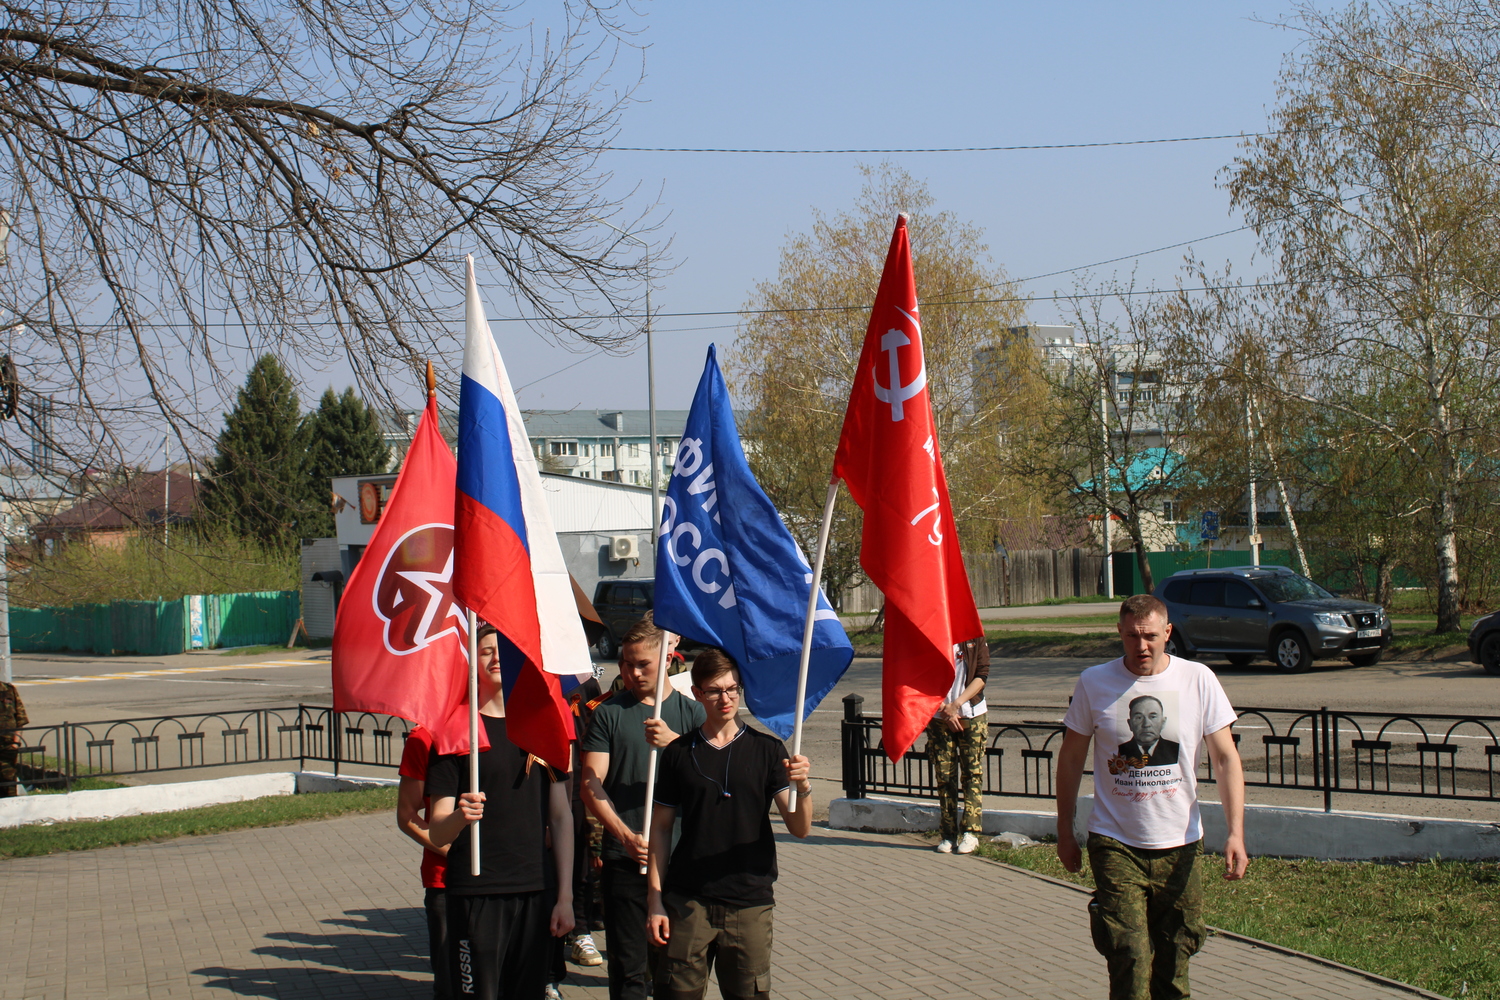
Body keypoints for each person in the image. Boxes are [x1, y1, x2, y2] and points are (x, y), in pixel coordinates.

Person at [1055, 593, 1249, 1000]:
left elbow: (1226, 758)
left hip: (1180, 843)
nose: (1141, 646)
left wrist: (1235, 833)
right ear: (1120, 634)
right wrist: (1065, 830)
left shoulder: (1197, 679)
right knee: (1129, 955)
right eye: (1131, 636)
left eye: (1149, 636)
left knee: (1176, 954)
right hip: (1115, 842)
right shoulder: (1095, 681)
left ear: (1167, 633)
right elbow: (1071, 759)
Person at [646, 648, 812, 1000]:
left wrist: (804, 788)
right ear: (697, 694)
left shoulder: (768, 750)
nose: (726, 698)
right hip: (689, 902)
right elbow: (660, 829)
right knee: (675, 992)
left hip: (749, 902)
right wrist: (656, 901)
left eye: (733, 689)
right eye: (715, 690)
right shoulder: (679, 753)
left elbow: (799, 828)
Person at [427, 623, 575, 999]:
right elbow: (438, 832)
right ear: (472, 662)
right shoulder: (454, 730)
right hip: (476, 890)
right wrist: (462, 814)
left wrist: (565, 897)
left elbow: (560, 818)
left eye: (502, 651)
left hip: (535, 889)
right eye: (486, 651)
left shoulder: (542, 725)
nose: (496, 659)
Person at [580, 615, 705, 1000]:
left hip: (682, 860)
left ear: (667, 658)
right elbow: (590, 783)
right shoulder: (609, 713)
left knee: (676, 970)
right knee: (627, 968)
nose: (632, 673)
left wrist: (675, 746)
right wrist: (622, 834)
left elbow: (711, 783)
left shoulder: (692, 715)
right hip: (626, 857)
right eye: (625, 663)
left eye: (642, 664)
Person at [397, 725, 452, 1000]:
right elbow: (407, 814)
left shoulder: (511, 725)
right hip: (446, 881)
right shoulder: (425, 737)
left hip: (507, 879)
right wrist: (452, 851)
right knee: (451, 983)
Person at [925, 636, 990, 854]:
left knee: (972, 774)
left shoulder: (974, 636)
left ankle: (971, 833)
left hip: (971, 714)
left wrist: (957, 704)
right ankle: (948, 834)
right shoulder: (933, 634)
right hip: (939, 716)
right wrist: (945, 709)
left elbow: (982, 674)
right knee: (945, 776)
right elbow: (923, 676)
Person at [1117, 695, 1180, 767]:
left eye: (1152, 717)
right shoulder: (1119, 751)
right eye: (1139, 718)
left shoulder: (1176, 750)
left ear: (1163, 722)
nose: (1146, 724)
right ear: (1130, 724)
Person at [0, 680, 28, 797]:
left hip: (7, 746)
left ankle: (10, 811)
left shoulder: (9, 690)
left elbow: (19, 719)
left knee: (9, 781)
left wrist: (16, 743)